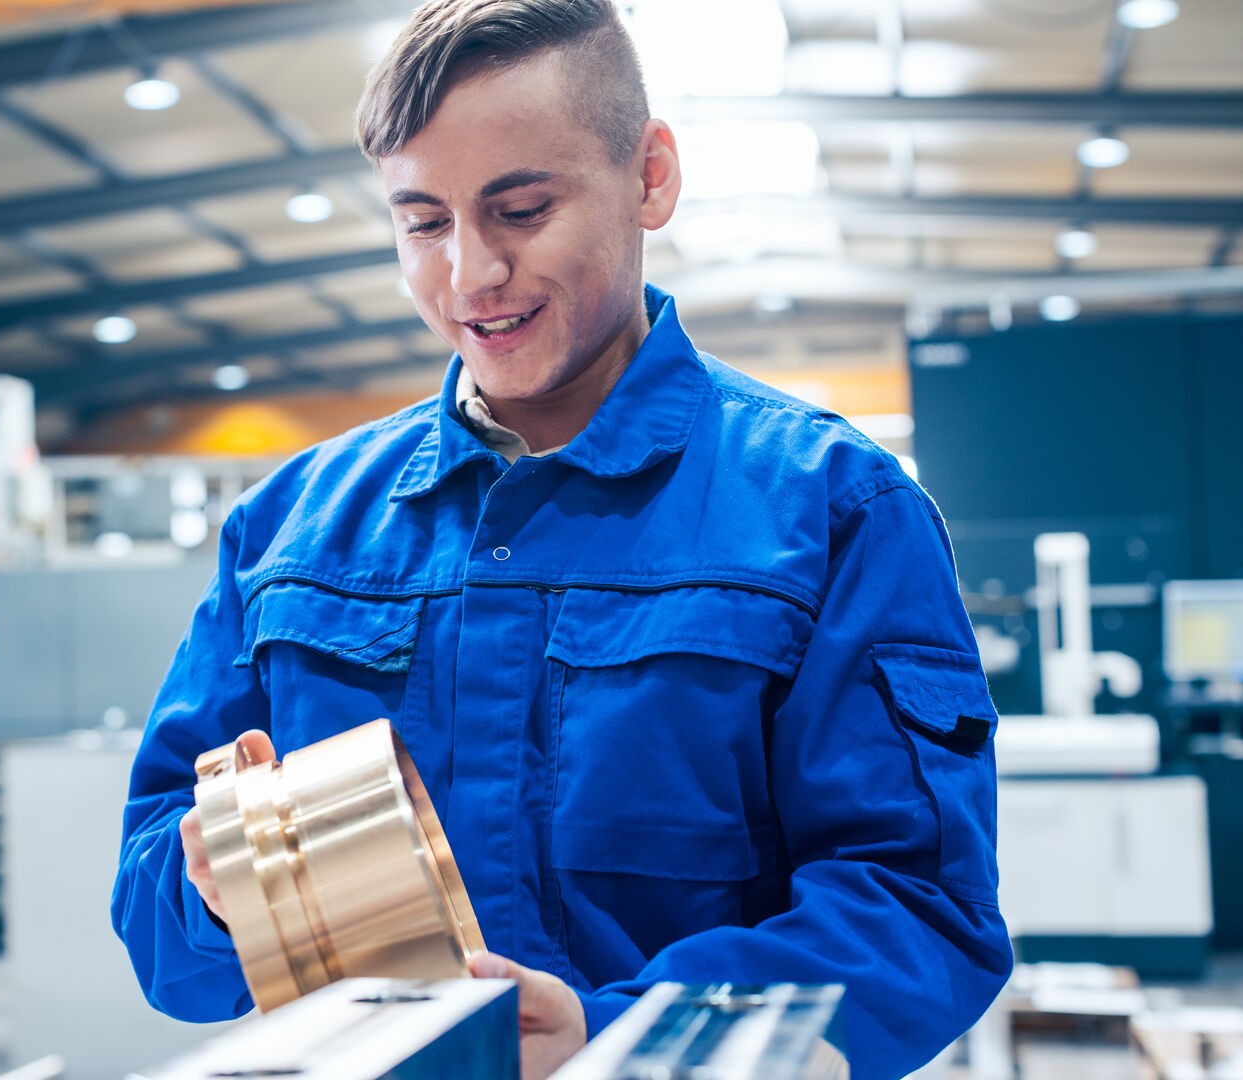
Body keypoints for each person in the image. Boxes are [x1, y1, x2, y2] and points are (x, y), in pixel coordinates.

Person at [112, 2, 1011, 1077]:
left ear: (650, 178)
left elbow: (915, 911)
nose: (468, 275)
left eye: (521, 209)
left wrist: (615, 1035)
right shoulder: (288, 529)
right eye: (422, 223)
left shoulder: (828, 510)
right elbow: (161, 936)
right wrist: (217, 892)